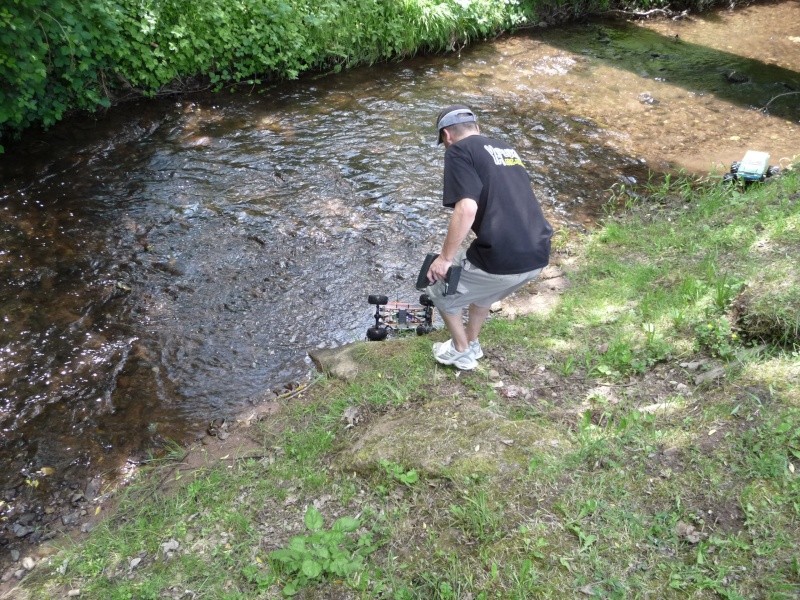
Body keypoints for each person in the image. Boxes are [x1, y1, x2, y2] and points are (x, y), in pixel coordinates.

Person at [425, 104, 553, 370]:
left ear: (447, 136)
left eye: (445, 142)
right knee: (483, 290)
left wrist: (445, 258)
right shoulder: (504, 148)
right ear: (477, 128)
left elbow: (467, 208)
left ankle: (461, 351)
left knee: (438, 285)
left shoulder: (459, 151)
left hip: (504, 257)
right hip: (538, 253)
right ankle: (471, 342)